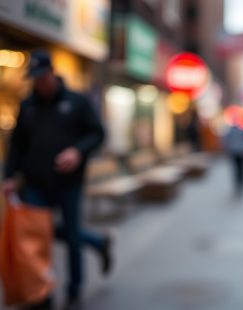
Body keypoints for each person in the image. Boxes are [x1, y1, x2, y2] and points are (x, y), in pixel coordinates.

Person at [1, 50, 112, 309]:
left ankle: (74, 288)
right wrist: (9, 176)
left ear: (52, 73)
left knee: (71, 236)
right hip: (35, 182)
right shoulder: (28, 106)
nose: (39, 83)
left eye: (42, 77)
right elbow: (17, 145)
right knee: (34, 237)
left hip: (68, 184)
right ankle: (41, 289)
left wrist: (77, 151)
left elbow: (97, 133)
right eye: (35, 78)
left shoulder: (77, 102)